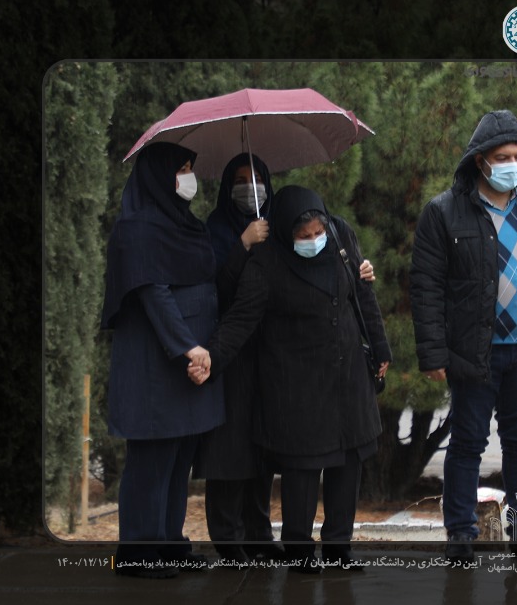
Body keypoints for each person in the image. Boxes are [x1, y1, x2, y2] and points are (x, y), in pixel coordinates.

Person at [409, 110, 517, 563]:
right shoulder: (444, 212)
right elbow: (426, 286)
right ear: (480, 160)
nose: (512, 165)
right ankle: (460, 536)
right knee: (467, 443)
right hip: (473, 353)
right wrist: (433, 353)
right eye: (502, 157)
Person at [193, 185, 389, 574]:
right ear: (286, 232)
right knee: (304, 472)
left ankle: (338, 549)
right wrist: (211, 357)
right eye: (305, 235)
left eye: (318, 231)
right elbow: (241, 319)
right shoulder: (267, 260)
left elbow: (362, 295)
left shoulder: (341, 235)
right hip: (298, 387)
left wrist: (381, 348)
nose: (314, 239)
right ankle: (299, 551)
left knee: (348, 465)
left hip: (348, 377)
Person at [101, 142, 224, 578]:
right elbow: (154, 292)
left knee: (178, 460)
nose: (188, 177)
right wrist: (188, 347)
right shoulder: (135, 229)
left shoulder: (184, 224)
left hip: (192, 364)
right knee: (151, 462)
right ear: (157, 176)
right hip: (157, 365)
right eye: (180, 169)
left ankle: (170, 544)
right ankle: (139, 552)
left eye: (190, 167)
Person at [193, 153, 280, 565]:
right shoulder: (215, 229)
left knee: (263, 446)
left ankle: (259, 532)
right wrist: (242, 244)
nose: (251, 187)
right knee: (228, 450)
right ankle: (228, 536)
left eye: (257, 178)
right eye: (241, 180)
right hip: (229, 354)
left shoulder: (275, 227)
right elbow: (217, 289)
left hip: (268, 354)